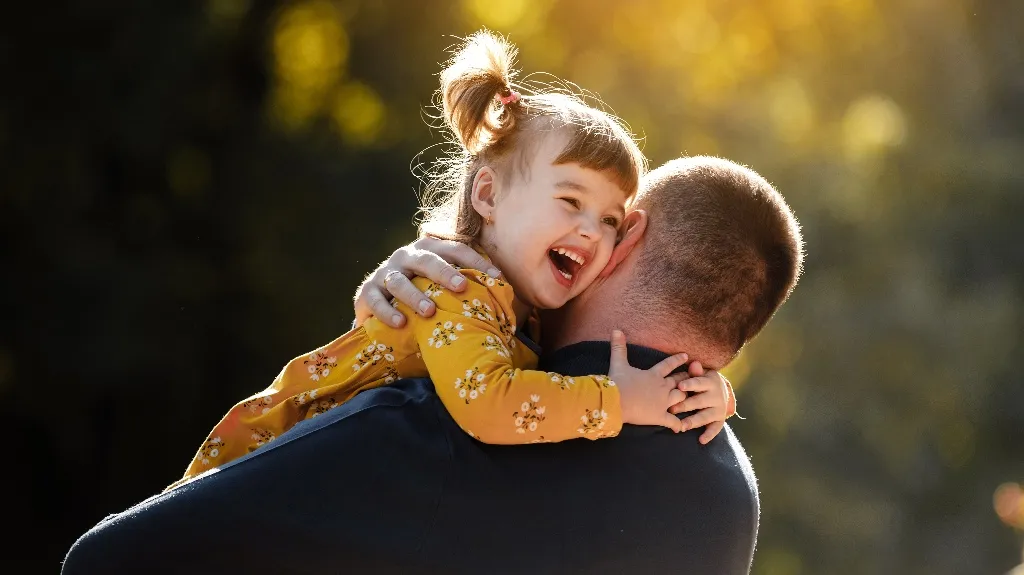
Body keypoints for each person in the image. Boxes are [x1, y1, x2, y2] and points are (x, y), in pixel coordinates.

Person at [61, 154, 804, 574]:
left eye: (604, 221)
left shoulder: (428, 429)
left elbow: (108, 560)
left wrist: (410, 338)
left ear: (629, 237)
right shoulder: (728, 499)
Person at [174, 30, 733, 485]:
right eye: (570, 201)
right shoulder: (455, 289)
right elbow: (488, 404)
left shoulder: (527, 311)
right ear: (487, 196)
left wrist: (704, 392)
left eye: (611, 220)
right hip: (252, 477)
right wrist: (616, 403)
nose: (591, 231)